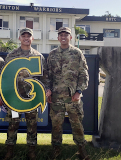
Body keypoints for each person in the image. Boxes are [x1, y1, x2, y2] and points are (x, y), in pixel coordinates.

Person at [1, 28, 50, 160]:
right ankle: (9, 151)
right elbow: (4, 75)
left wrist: (46, 89)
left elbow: (44, 77)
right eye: (24, 36)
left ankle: (31, 152)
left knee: (32, 125)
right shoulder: (12, 55)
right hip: (14, 99)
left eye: (29, 36)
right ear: (19, 38)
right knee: (13, 124)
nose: (26, 38)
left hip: (31, 99)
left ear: (32, 39)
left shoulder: (38, 56)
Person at [46, 27, 90, 160]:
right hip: (56, 98)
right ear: (58, 38)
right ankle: (56, 151)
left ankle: (82, 151)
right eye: (61, 35)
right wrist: (48, 90)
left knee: (77, 125)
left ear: (70, 37)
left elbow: (84, 74)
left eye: (66, 35)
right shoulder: (52, 54)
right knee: (56, 126)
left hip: (73, 98)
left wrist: (79, 91)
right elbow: (47, 74)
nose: (63, 37)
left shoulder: (77, 53)